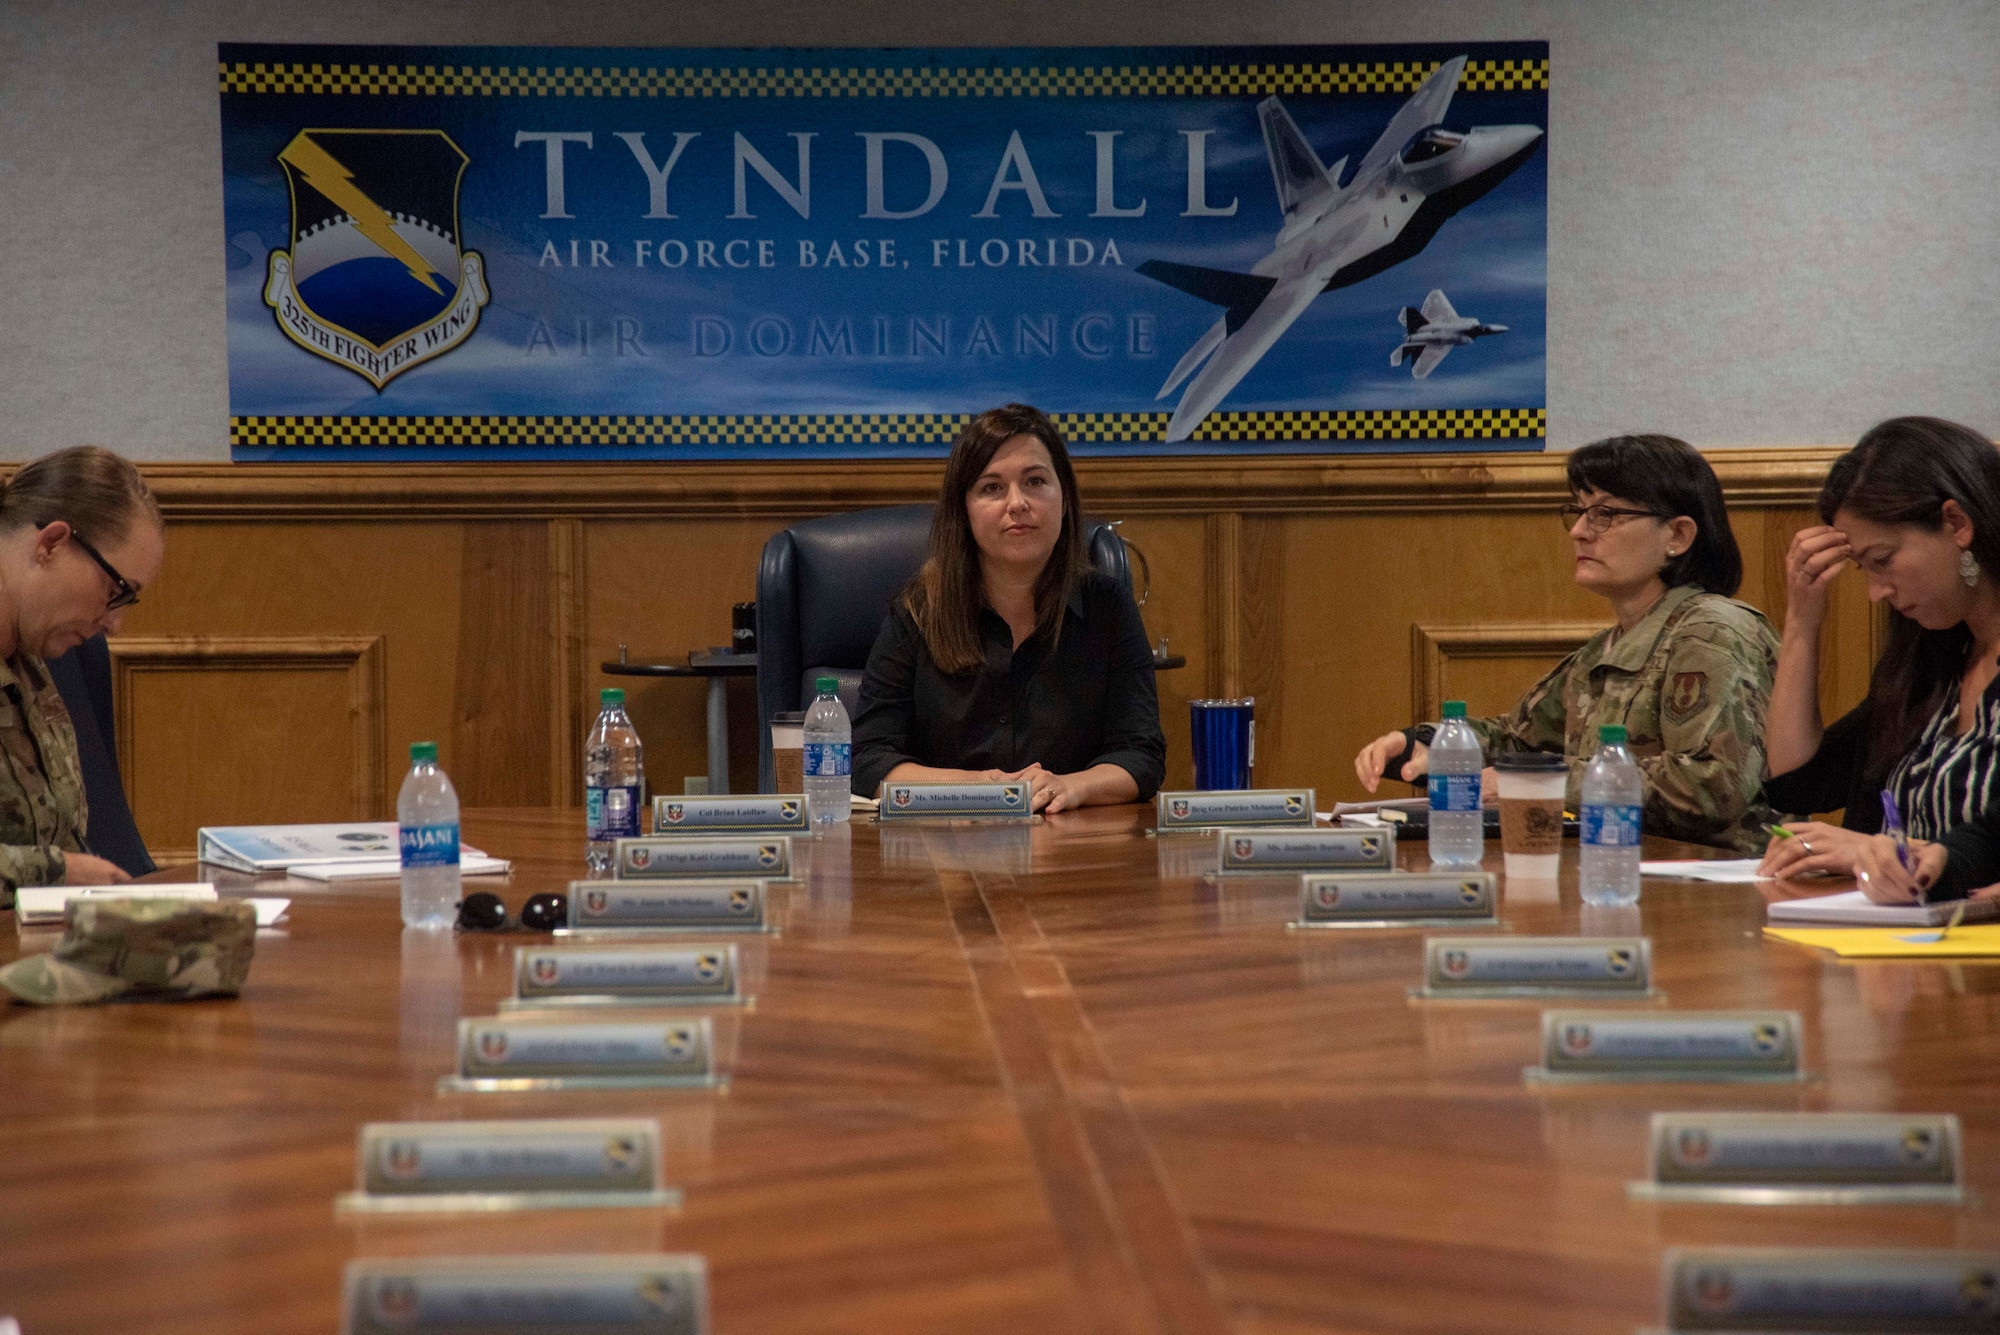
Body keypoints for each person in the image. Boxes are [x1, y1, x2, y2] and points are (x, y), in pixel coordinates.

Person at [1353, 433, 1779, 853]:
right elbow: (1520, 742)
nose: (1578, 531)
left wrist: (1539, 782)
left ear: (1678, 536)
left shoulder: (1715, 631)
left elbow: (1714, 787)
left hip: (1719, 882)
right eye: (1578, 511)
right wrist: (1429, 744)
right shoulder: (1607, 648)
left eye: (1605, 514)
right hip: (1626, 866)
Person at [851, 404, 1165, 813]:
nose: (1017, 503)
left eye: (1035, 481)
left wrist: (1071, 787)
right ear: (962, 511)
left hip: (1074, 852)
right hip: (942, 858)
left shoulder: (1107, 607)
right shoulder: (918, 612)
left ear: (1065, 498)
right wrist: (979, 788)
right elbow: (869, 760)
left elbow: (1141, 754)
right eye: (992, 488)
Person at [1760, 416, 2000, 882]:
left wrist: (1876, 851)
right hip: (1901, 933)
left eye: (1883, 561)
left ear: (1956, 524)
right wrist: (1802, 622)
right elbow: (1797, 783)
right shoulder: (1934, 657)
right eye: (1861, 569)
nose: (1875, 591)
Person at [0, 446, 165, 900]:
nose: (113, 623)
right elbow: (63, 864)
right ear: (51, 544)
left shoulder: (41, 656)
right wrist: (57, 873)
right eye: (115, 591)